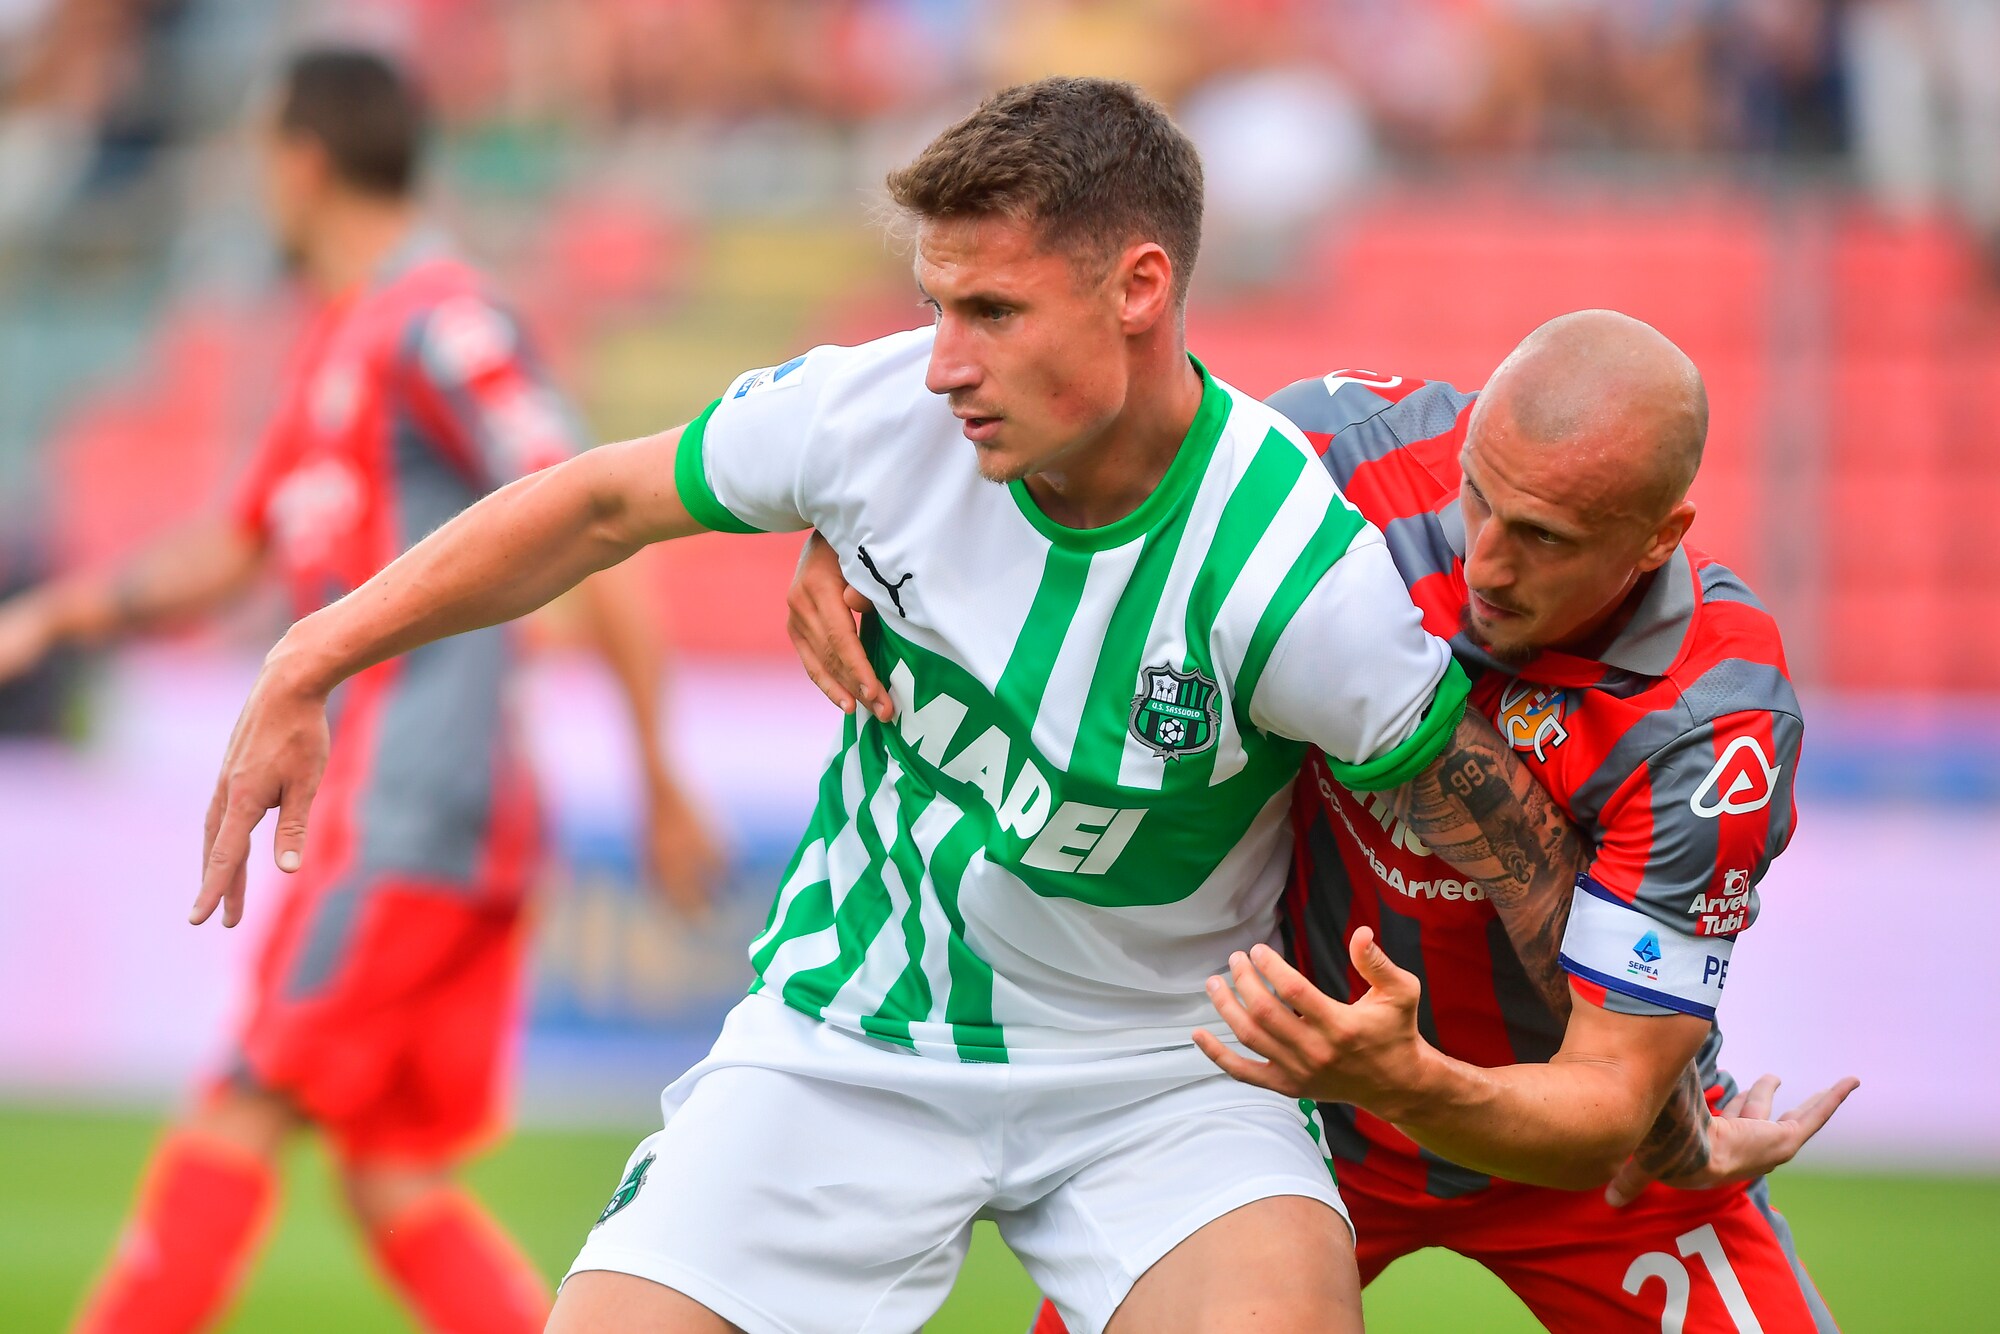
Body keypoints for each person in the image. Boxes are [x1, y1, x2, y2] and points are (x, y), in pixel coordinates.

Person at [184, 77, 1634, 1334]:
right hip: (850, 1029)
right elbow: (597, 503)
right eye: (936, 306)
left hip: (1162, 1069)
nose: (945, 361)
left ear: (1139, 289)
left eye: (991, 311)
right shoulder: (879, 415)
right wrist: (311, 654)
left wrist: (1650, 1077)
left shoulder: (1295, 575)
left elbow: (1496, 832)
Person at [789, 314, 1855, 1333]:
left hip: (1579, 1161)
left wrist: (1408, 1079)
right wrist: (859, 548)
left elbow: (1609, 1106)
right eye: (1478, 496)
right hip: (1279, 1109)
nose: (1484, 561)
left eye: (1543, 537)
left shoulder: (1713, 728)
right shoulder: (1343, 459)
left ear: (1660, 536)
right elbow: (1090, 489)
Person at [0, 48, 720, 1334]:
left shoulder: (442, 322)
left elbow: (597, 509)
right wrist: (59, 613)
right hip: (410, 816)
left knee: (243, 1096)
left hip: (410, 809)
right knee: (389, 1170)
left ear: (300, 161)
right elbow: (232, 547)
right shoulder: (341, 339)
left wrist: (660, 771)